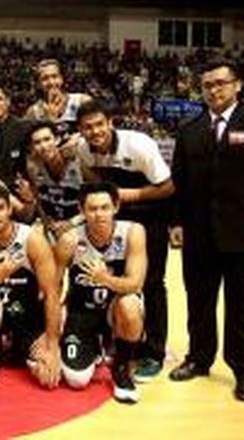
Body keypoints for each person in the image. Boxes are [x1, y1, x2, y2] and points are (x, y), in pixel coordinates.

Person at [169, 59, 244, 402]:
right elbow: (180, 183)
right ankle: (199, 359)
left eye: (220, 83)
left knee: (243, 304)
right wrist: (176, 222)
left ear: (237, 85)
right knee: (199, 302)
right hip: (199, 235)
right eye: (208, 85)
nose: (214, 90)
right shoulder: (189, 129)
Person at [76, 100, 173, 381]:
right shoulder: (84, 150)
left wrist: (127, 195)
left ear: (110, 122)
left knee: (152, 283)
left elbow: (168, 186)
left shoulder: (139, 145)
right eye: (87, 127)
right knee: (113, 279)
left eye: (98, 124)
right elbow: (92, 179)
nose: (94, 132)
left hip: (149, 217)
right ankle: (120, 339)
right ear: (80, 130)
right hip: (113, 218)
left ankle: (154, 352)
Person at [54, 182, 147, 404]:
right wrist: (52, 331)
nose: (99, 214)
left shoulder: (133, 232)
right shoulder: (70, 240)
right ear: (82, 210)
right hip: (81, 313)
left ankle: (121, 368)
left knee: (130, 304)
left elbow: (135, 284)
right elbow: (53, 285)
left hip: (114, 310)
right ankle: (95, 345)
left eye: (105, 207)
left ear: (116, 207)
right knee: (76, 381)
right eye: (93, 209)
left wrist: (104, 279)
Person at [0, 184, 61, 389]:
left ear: (10, 209)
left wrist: (52, 345)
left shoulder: (32, 239)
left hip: (28, 316)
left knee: (48, 380)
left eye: (0, 208)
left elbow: (52, 293)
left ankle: (18, 349)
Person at [15, 120, 90, 241]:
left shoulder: (78, 162)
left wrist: (71, 223)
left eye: (47, 139)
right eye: (37, 142)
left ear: (57, 140)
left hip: (80, 223)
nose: (44, 146)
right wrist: (46, 224)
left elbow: (97, 198)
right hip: (53, 225)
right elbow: (39, 202)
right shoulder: (33, 168)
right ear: (32, 147)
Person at [25, 59, 92, 146]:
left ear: (61, 79)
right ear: (38, 84)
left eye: (54, 76)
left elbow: (96, 128)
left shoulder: (82, 101)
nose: (51, 82)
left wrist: (80, 137)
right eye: (45, 78)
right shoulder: (34, 112)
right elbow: (31, 144)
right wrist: (50, 119)